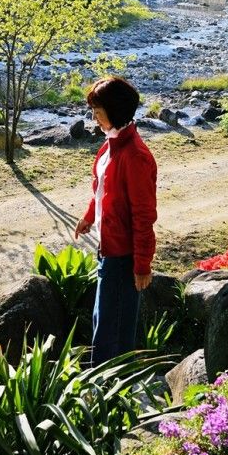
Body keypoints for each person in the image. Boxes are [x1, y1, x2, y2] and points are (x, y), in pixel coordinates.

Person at [74, 76, 157, 366]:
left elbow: (143, 217)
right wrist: (88, 217)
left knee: (113, 329)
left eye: (98, 111)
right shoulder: (111, 145)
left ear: (116, 111)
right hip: (107, 249)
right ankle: (102, 379)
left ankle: (111, 387)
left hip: (123, 257)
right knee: (103, 320)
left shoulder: (135, 156)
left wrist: (142, 264)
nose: (93, 117)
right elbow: (103, 191)